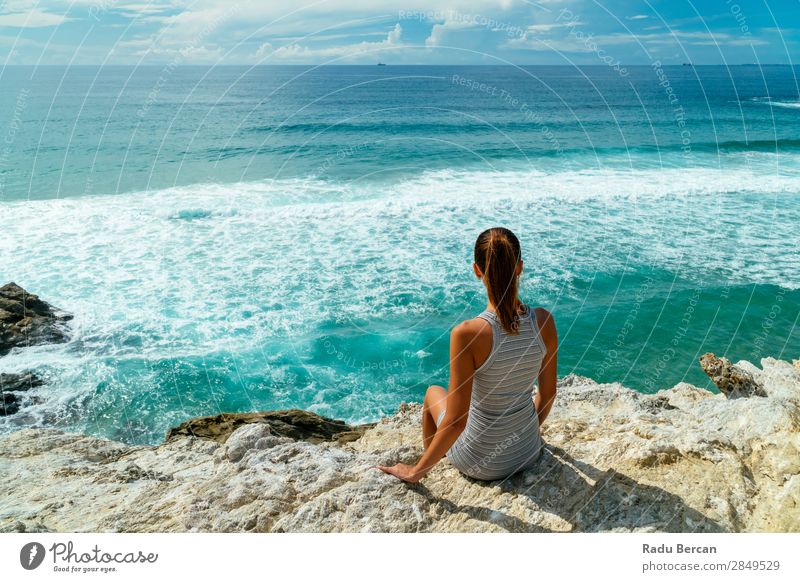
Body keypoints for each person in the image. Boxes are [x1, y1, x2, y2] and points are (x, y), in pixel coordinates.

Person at [377, 227, 558, 483]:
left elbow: (455, 421)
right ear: (519, 268)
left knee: (432, 393)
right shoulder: (544, 321)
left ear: (477, 270)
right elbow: (548, 394)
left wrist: (413, 472)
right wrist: (521, 437)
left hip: (480, 464)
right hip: (527, 453)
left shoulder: (468, 333)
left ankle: (428, 465)